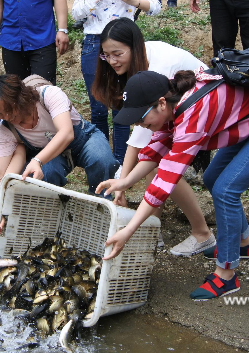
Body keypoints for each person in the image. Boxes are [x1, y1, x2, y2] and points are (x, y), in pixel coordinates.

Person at [97, 69, 249, 300]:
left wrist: (128, 231)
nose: (141, 125)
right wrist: (124, 182)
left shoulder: (192, 114)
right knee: (212, 179)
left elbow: (164, 182)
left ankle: (226, 274)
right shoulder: (173, 106)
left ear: (161, 103)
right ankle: (242, 243)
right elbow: (155, 151)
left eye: (141, 118)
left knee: (226, 190)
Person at [91, 18, 216, 256]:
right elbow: (144, 134)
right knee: (153, 164)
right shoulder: (138, 64)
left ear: (134, 46)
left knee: (164, 169)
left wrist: (122, 184)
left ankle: (202, 234)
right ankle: (151, 230)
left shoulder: (155, 70)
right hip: (182, 115)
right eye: (106, 55)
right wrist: (123, 183)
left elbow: (142, 135)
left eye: (117, 53)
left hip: (202, 113)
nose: (112, 61)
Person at [0, 74, 120, 237]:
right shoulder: (6, 130)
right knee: (42, 177)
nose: (6, 117)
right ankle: (54, 218)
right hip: (52, 155)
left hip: (83, 139)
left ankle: (101, 208)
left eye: (8, 110)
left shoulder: (48, 95)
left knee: (101, 159)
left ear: (20, 96)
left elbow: (67, 133)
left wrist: (37, 160)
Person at [72, 0, 161, 163]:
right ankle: (103, 160)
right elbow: (75, 14)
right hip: (94, 44)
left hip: (124, 46)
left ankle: (121, 162)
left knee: (122, 105)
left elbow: (155, 6)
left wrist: (132, 0)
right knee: (99, 106)